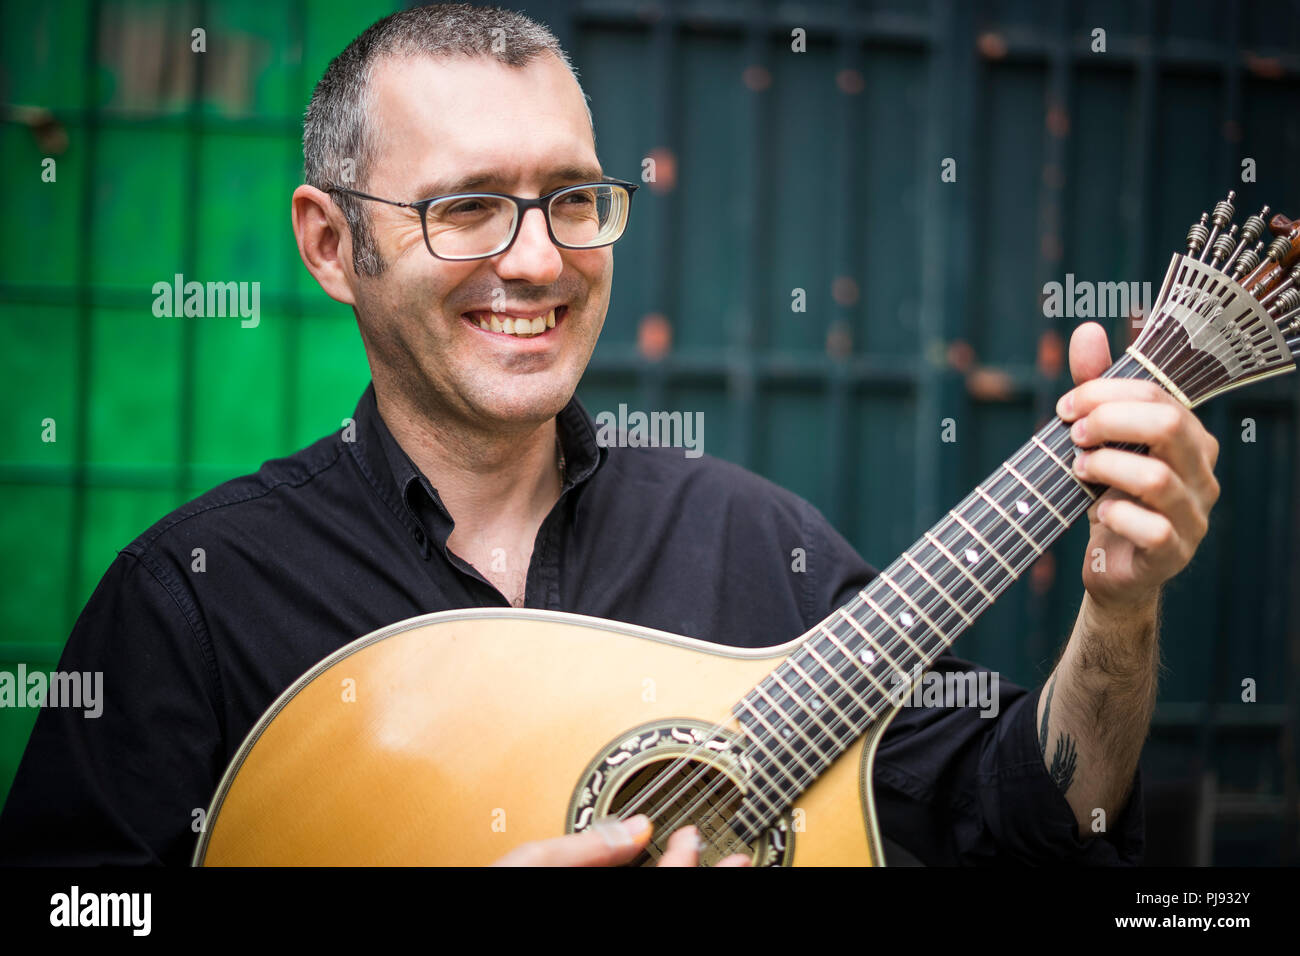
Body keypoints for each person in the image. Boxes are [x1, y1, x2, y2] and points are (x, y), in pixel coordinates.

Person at [0, 4, 1220, 867]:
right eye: (467, 207)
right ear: (332, 244)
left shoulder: (754, 542)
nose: (538, 259)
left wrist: (1119, 615)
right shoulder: (193, 603)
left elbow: (1034, 822)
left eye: (573, 198)